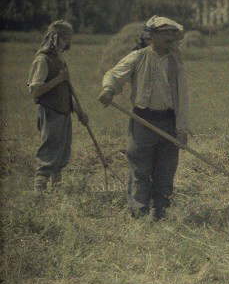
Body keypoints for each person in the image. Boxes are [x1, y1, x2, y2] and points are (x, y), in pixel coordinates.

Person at [99, 16, 189, 220]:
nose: (169, 37)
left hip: (169, 122)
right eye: (164, 33)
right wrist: (108, 89)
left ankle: (160, 213)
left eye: (171, 33)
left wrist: (181, 128)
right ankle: (139, 214)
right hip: (143, 121)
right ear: (151, 36)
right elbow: (114, 75)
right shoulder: (138, 57)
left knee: (166, 171)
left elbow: (183, 98)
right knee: (140, 169)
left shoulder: (175, 62)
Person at [27, 20, 88, 192]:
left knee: (62, 151)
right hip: (50, 111)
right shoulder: (42, 60)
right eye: (66, 38)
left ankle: (56, 190)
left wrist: (79, 112)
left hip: (64, 112)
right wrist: (59, 79)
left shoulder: (60, 59)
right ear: (55, 37)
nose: (68, 42)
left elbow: (67, 91)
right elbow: (35, 91)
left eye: (69, 38)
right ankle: (39, 191)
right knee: (50, 150)